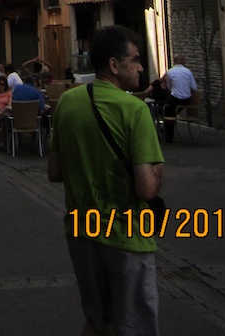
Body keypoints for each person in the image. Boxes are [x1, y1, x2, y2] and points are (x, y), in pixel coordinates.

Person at [49, 25, 164, 336]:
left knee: (98, 323)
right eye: (136, 60)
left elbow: (54, 172)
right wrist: (157, 170)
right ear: (114, 64)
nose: (142, 68)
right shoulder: (135, 110)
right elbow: (146, 188)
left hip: (82, 234)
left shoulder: (67, 104)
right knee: (135, 326)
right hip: (126, 237)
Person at [161, 53, 198, 143]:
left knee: (167, 111)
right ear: (181, 61)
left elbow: (169, 87)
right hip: (187, 100)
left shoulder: (170, 72)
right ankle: (168, 125)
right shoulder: (188, 71)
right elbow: (194, 87)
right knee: (171, 110)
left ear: (174, 61)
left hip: (175, 99)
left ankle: (168, 136)